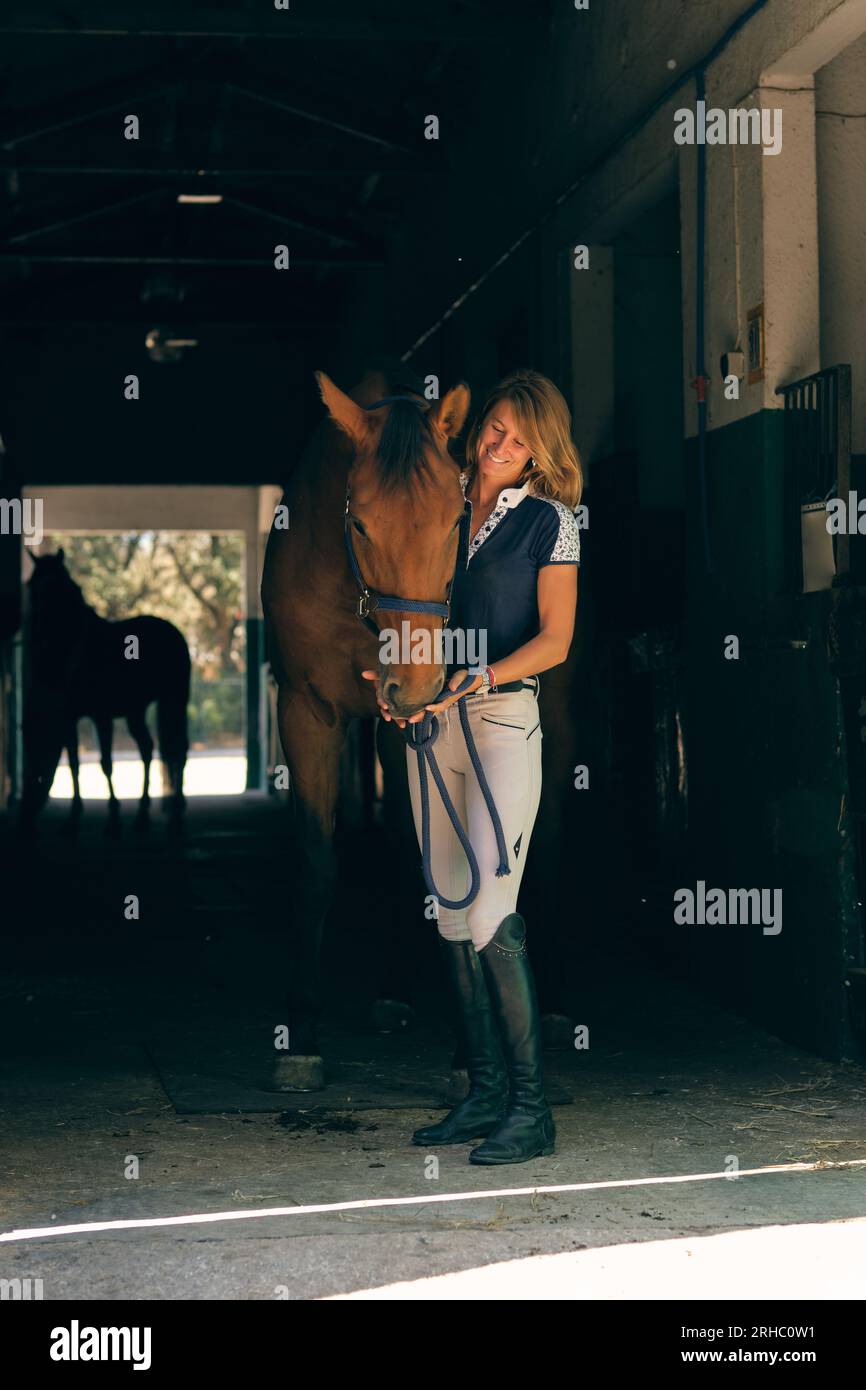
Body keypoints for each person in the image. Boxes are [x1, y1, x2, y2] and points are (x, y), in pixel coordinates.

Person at [365, 368, 582, 1165]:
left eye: (520, 440)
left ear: (538, 454)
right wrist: (397, 671)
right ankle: (485, 1092)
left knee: (492, 915)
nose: (500, 444)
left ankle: (533, 1109)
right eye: (496, 426)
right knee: (451, 914)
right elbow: (403, 591)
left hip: (499, 718)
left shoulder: (550, 524)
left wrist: (482, 675)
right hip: (431, 724)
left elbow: (556, 640)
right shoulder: (440, 496)